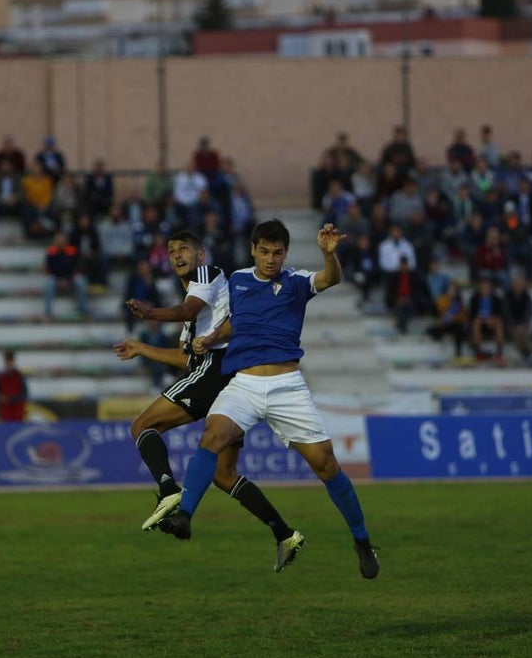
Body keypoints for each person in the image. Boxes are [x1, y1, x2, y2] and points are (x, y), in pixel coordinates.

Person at [159, 221, 379, 579]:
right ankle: (184, 516)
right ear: (253, 250)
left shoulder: (295, 281)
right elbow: (234, 320)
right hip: (244, 384)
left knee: (326, 466)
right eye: (264, 251)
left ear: (286, 253)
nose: (271, 259)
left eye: (278, 253)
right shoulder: (237, 281)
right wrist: (213, 335)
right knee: (212, 437)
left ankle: (362, 541)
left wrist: (328, 255)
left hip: (287, 386)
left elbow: (331, 279)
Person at [116, 231, 303, 570]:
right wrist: (142, 348)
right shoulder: (196, 315)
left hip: (218, 369)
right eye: (171, 251)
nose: (176, 255)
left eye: (183, 249)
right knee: (224, 473)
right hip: (234, 378)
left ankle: (169, 489)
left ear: (200, 254)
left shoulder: (207, 275)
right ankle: (284, 533)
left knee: (143, 425)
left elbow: (190, 314)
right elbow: (186, 359)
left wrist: (151, 313)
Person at [43, 232, 89, 318]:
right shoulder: (51, 251)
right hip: (56, 278)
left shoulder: (72, 250)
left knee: (80, 281)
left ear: (66, 241)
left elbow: (77, 267)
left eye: (62, 239)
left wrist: (69, 278)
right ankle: (48, 312)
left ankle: (83, 309)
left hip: (70, 278)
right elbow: (50, 268)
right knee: (49, 282)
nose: (60, 242)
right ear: (55, 241)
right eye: (58, 240)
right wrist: (60, 280)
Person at [468, 278, 505, 361]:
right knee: (476, 322)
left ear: (491, 288)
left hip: (492, 322)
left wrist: (492, 319)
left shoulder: (496, 299)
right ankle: (478, 352)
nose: (485, 289)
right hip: (480, 322)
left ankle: (499, 352)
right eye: (483, 287)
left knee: (499, 323)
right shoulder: (474, 299)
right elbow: (472, 314)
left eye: (487, 287)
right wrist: (483, 319)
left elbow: (500, 313)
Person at [504, 275, 532, 360]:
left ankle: (527, 353)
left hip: (523, 324)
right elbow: (506, 313)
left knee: (525, 332)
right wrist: (513, 325)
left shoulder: (527, 297)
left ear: (523, 285)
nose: (518, 286)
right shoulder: (507, 297)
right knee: (516, 333)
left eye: (520, 284)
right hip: (511, 324)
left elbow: (528, 313)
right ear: (513, 285)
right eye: (516, 284)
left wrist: (522, 325)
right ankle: (526, 354)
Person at [0, 349, 28, 423]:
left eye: (10, 360)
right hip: (5, 414)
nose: (9, 363)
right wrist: (0, 397)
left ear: (13, 361)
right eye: (7, 361)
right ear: (5, 362)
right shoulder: (1, 377)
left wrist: (10, 399)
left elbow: (24, 394)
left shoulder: (19, 376)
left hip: (17, 414)